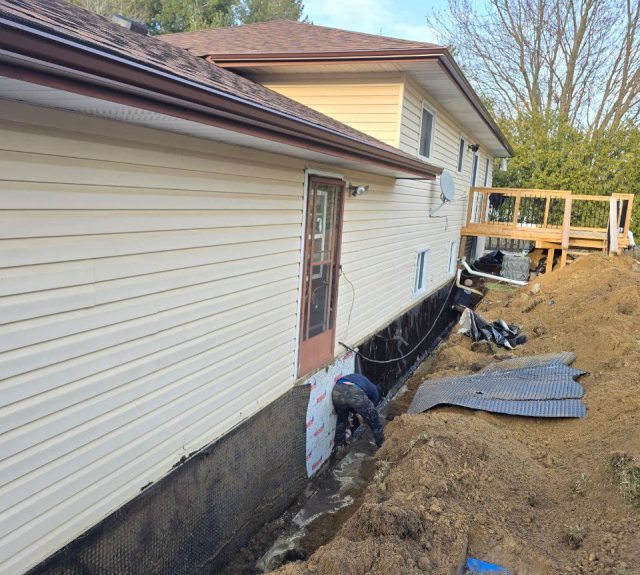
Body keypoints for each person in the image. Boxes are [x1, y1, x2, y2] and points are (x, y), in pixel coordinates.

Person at [332, 373, 384, 449]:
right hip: (352, 390)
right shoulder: (375, 393)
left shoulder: (365, 383)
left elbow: (355, 408)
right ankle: (382, 446)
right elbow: (371, 415)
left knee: (342, 421)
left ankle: (338, 448)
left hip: (337, 390)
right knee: (375, 420)